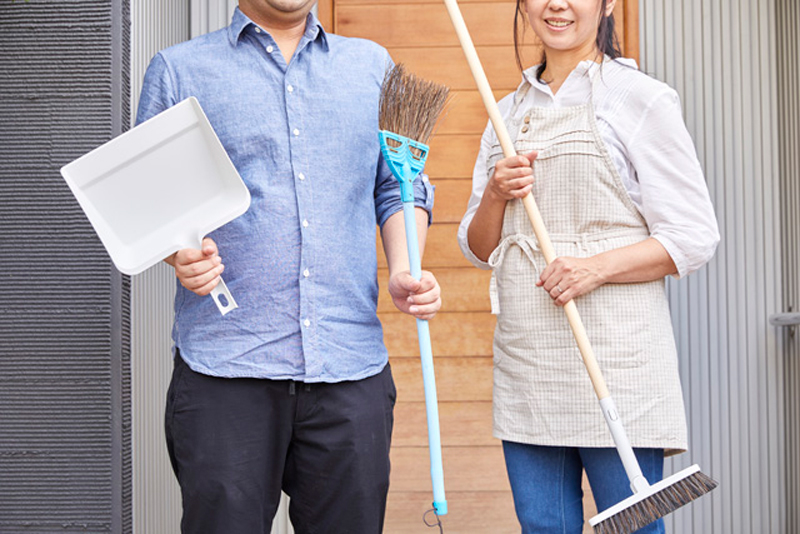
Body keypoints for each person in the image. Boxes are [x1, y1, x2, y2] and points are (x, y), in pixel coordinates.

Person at [136, 1, 441, 533]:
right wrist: (179, 253)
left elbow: (399, 184)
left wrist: (402, 266)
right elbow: (155, 203)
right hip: (226, 370)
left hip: (348, 368)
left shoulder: (371, 65)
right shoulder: (179, 69)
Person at [457, 0, 719, 532]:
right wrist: (495, 194)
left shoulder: (641, 100)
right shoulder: (504, 114)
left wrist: (594, 268)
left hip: (618, 365)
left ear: (605, 4)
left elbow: (694, 236)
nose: (557, 4)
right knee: (542, 527)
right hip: (529, 366)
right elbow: (478, 247)